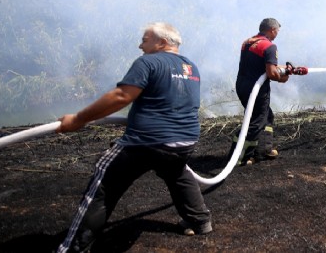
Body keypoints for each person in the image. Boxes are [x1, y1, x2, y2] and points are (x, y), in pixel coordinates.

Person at [55, 22, 211, 253]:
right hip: (184, 142)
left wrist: (78, 119)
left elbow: (121, 96)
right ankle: (199, 221)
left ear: (162, 42)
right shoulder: (191, 67)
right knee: (176, 171)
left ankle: (73, 248)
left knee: (104, 180)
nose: (140, 45)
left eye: (145, 39)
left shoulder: (148, 62)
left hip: (146, 143)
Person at [230, 18, 288, 166]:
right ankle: (239, 157)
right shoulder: (270, 46)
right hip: (256, 88)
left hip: (242, 85)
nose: (277, 34)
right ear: (272, 30)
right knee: (257, 121)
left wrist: (287, 68)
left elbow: (260, 63)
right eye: (277, 31)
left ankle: (264, 149)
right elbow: (271, 73)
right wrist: (283, 78)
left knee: (267, 116)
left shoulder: (248, 42)